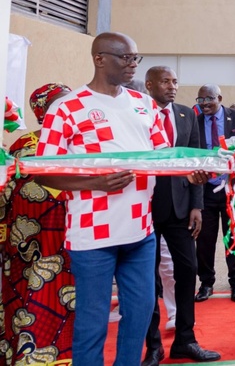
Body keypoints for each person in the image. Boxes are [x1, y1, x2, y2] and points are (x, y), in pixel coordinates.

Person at [35, 32, 169, 366]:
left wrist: (192, 172)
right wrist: (94, 182)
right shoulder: (66, 108)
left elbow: (166, 157)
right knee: (92, 324)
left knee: (138, 317)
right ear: (99, 58)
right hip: (92, 234)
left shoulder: (145, 104)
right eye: (126, 58)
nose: (133, 65)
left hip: (141, 231)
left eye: (136, 58)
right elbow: (42, 171)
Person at [142, 67, 220, 364]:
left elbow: (197, 161)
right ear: (150, 85)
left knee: (187, 271)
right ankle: (152, 346)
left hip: (181, 208)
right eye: (165, 81)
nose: (172, 86)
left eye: (175, 81)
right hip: (145, 207)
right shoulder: (138, 112)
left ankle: (185, 340)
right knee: (147, 279)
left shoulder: (188, 114)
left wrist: (197, 205)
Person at [1, 83, 74, 365]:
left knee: (70, 305)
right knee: (28, 303)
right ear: (42, 110)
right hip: (27, 249)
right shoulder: (23, 146)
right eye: (59, 103)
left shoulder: (81, 145)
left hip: (71, 243)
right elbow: (6, 193)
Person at [194, 84, 235, 303]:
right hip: (206, 189)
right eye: (201, 100)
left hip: (232, 189)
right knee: (205, 240)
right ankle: (206, 283)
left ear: (219, 97)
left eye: (209, 98)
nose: (205, 103)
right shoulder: (195, 121)